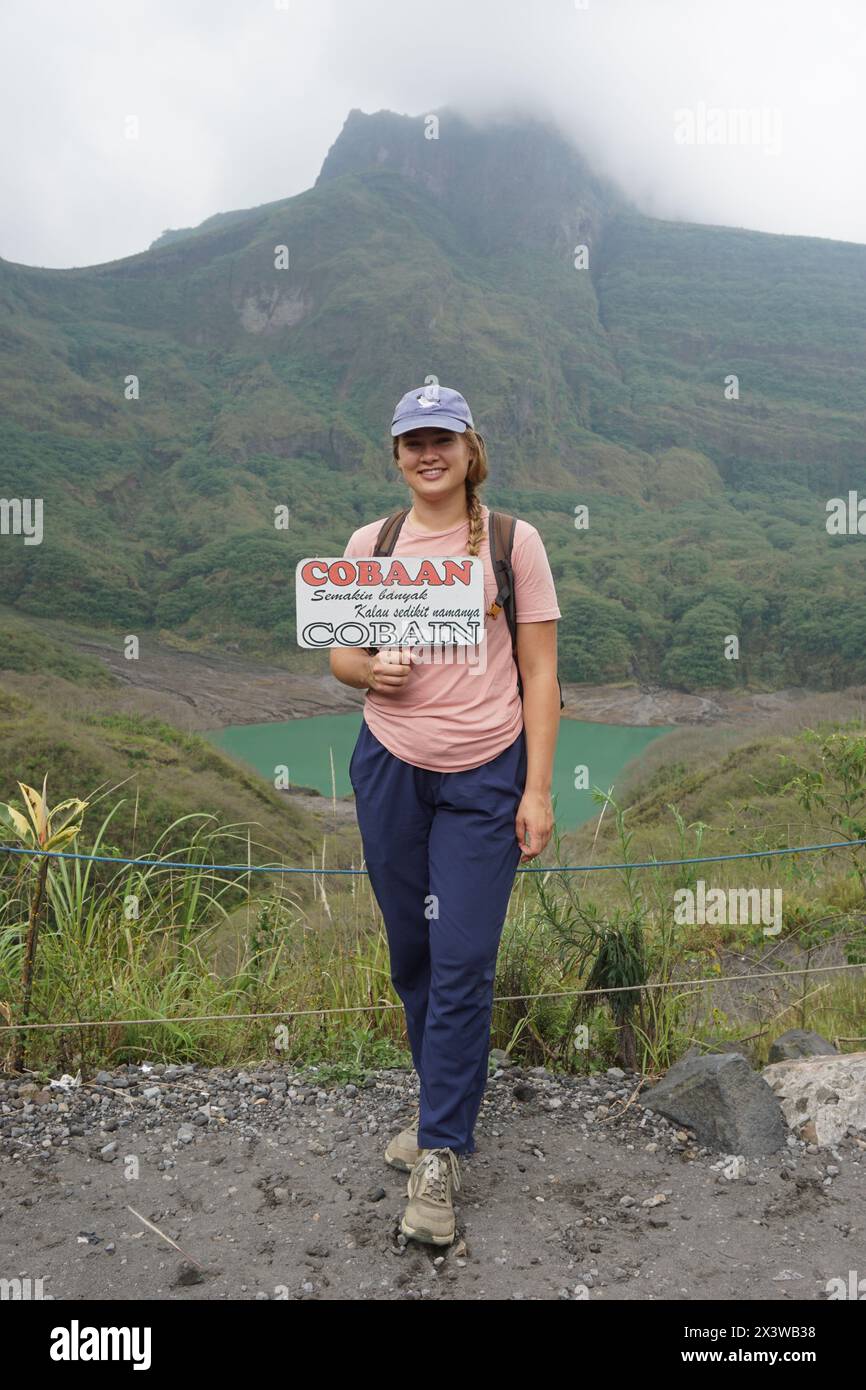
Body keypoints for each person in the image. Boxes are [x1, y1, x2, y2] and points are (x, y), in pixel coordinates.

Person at [330, 383, 561, 1245]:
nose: (429, 454)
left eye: (443, 439)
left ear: (470, 450)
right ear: (396, 455)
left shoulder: (512, 542)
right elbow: (342, 655)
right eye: (412, 441)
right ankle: (442, 1109)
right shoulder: (373, 543)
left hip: (484, 774)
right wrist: (368, 674)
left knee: (463, 954)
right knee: (414, 951)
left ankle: (440, 1153)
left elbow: (540, 672)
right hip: (389, 767)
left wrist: (538, 789)